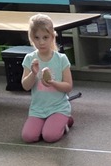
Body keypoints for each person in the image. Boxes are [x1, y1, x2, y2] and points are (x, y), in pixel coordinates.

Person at [20, 14, 74, 143]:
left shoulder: (61, 59)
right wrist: (33, 74)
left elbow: (68, 86)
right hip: (37, 109)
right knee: (28, 137)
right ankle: (52, 123)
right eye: (37, 38)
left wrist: (52, 83)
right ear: (31, 38)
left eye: (45, 37)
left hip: (58, 107)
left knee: (49, 136)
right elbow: (25, 86)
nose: (41, 42)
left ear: (52, 37)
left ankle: (65, 119)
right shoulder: (29, 58)